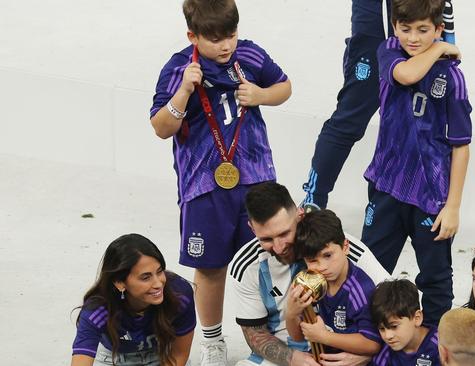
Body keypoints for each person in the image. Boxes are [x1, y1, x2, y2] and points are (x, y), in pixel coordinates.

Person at [149, 0, 291, 364]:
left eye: (230, 35)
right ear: (192, 36)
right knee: (211, 268)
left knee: (268, 257)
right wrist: (184, 91)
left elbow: (285, 87)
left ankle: (273, 335)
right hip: (203, 185)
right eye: (214, 39)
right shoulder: (179, 66)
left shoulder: (250, 55)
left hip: (256, 179)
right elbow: (161, 127)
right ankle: (213, 341)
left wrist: (261, 95)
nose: (225, 45)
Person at [361, 0, 469, 327]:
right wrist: (440, 48)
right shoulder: (389, 51)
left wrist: (452, 207)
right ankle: (367, 339)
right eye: (405, 29)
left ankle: (433, 347)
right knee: (369, 270)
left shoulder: (453, 79)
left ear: (438, 27)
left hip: (432, 199)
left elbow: (461, 147)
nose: (413, 37)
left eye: (424, 30)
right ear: (394, 27)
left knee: (436, 279)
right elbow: (408, 75)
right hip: (387, 187)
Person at [301, 0, 456, 210]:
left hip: (424, 14)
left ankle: (414, 205)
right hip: (378, 19)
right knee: (350, 118)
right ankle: (314, 200)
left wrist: (446, 43)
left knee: (426, 118)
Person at [228, 182, 389, 366]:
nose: (279, 248)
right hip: (286, 351)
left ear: (299, 215)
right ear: (252, 229)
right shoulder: (246, 265)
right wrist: (293, 358)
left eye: (284, 233)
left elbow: (401, 311)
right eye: (266, 239)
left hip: (343, 352)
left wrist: (367, 355)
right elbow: (255, 335)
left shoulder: (336, 245)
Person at [71, 233, 196, 366]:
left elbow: (179, 354)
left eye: (159, 271)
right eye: (145, 277)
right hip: (113, 358)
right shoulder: (97, 310)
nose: (158, 284)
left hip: (163, 354)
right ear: (119, 282)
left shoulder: (179, 295)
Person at [286, 210, 381, 356]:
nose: (322, 266)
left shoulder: (359, 289)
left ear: (345, 247)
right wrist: (291, 314)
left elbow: (372, 344)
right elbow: (298, 337)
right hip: (325, 355)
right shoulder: (310, 283)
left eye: (328, 255)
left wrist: (324, 337)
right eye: (312, 260)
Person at [369, 279, 440, 366]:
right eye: (382, 328)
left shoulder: (442, 346)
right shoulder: (385, 354)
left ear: (417, 318)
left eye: (394, 326)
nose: (388, 336)